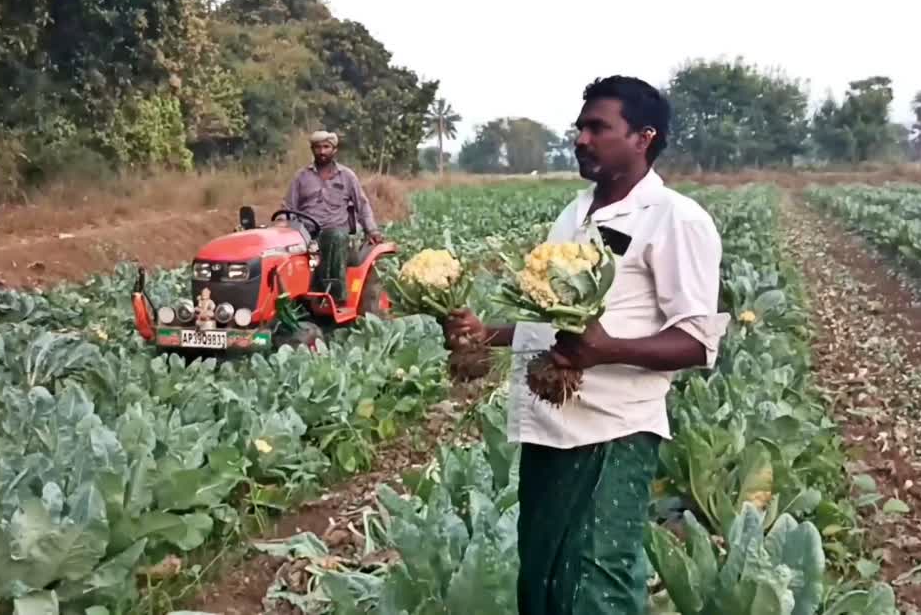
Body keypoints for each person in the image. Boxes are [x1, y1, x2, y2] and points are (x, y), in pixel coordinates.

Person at [444, 76, 729, 614]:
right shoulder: (573, 214)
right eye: (581, 127)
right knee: (544, 583)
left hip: (613, 432)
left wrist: (607, 350)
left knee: (598, 584)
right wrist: (488, 334)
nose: (582, 138)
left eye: (599, 127)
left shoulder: (676, 219)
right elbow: (559, 329)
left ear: (644, 137)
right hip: (549, 428)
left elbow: (696, 343)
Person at [283, 130, 384, 301]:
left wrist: (372, 230)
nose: (322, 151)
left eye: (326, 147)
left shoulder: (347, 176)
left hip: (337, 232)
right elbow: (287, 207)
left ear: (334, 150)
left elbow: (362, 205)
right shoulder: (301, 177)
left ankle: (334, 295)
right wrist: (281, 225)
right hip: (306, 233)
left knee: (334, 236)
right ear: (312, 150)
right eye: (317, 147)